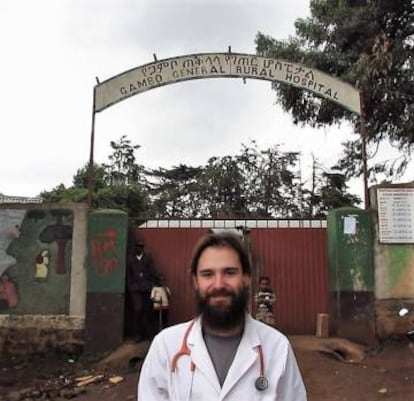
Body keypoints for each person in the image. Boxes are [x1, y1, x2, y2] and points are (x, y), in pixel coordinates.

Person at [137, 232, 307, 401]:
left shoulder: (277, 348)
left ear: (247, 278)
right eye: (207, 274)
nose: (219, 285)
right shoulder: (166, 347)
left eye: (230, 272)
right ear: (195, 282)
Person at [125, 240, 158, 341]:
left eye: (141, 247)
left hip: (146, 288)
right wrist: (130, 286)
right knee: (137, 309)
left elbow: (152, 272)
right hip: (135, 289)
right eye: (137, 247)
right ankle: (137, 335)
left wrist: (151, 284)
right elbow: (128, 274)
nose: (139, 249)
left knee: (147, 311)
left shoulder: (148, 258)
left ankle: (147, 334)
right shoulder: (130, 259)